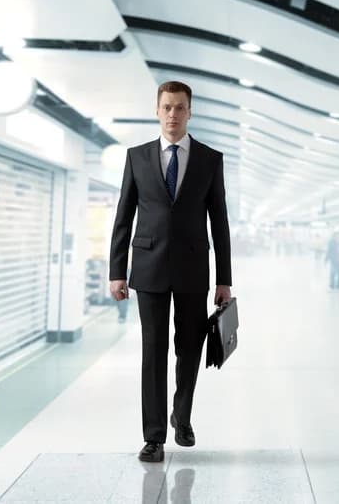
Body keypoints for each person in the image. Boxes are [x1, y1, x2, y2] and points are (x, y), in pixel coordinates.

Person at [109, 80, 232, 464]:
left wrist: (224, 278)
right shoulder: (137, 157)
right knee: (153, 351)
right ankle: (154, 436)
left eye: (180, 108)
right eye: (167, 107)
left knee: (189, 348)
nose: (173, 115)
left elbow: (220, 221)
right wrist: (117, 271)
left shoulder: (210, 159)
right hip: (148, 267)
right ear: (157, 110)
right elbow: (123, 216)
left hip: (195, 267)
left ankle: (183, 416)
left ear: (190, 111)